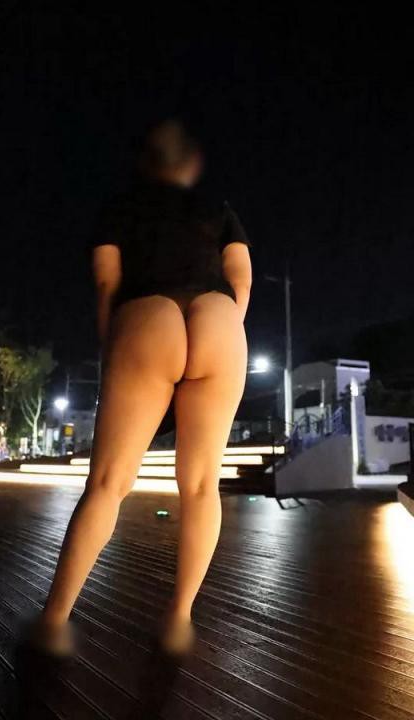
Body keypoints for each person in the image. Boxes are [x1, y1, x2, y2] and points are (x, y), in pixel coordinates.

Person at [26, 119, 252, 657]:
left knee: (108, 483)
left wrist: (118, 349)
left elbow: (107, 283)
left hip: (149, 315)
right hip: (219, 318)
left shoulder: (119, 208)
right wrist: (225, 329)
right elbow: (240, 277)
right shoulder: (218, 208)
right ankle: (178, 619)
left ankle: (54, 620)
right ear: (190, 164)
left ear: (146, 164)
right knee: (202, 486)